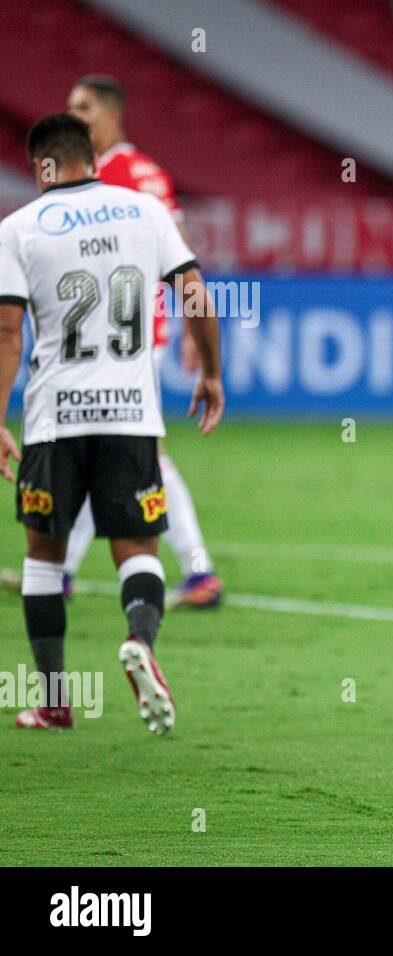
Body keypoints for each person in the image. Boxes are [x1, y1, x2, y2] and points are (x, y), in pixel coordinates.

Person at [0, 113, 223, 732]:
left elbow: (7, 332)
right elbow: (196, 294)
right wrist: (211, 373)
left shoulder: (17, 229)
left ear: (43, 166)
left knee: (44, 559)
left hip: (54, 420)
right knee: (138, 549)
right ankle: (140, 641)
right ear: (90, 160)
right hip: (131, 416)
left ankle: (52, 700)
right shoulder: (143, 211)